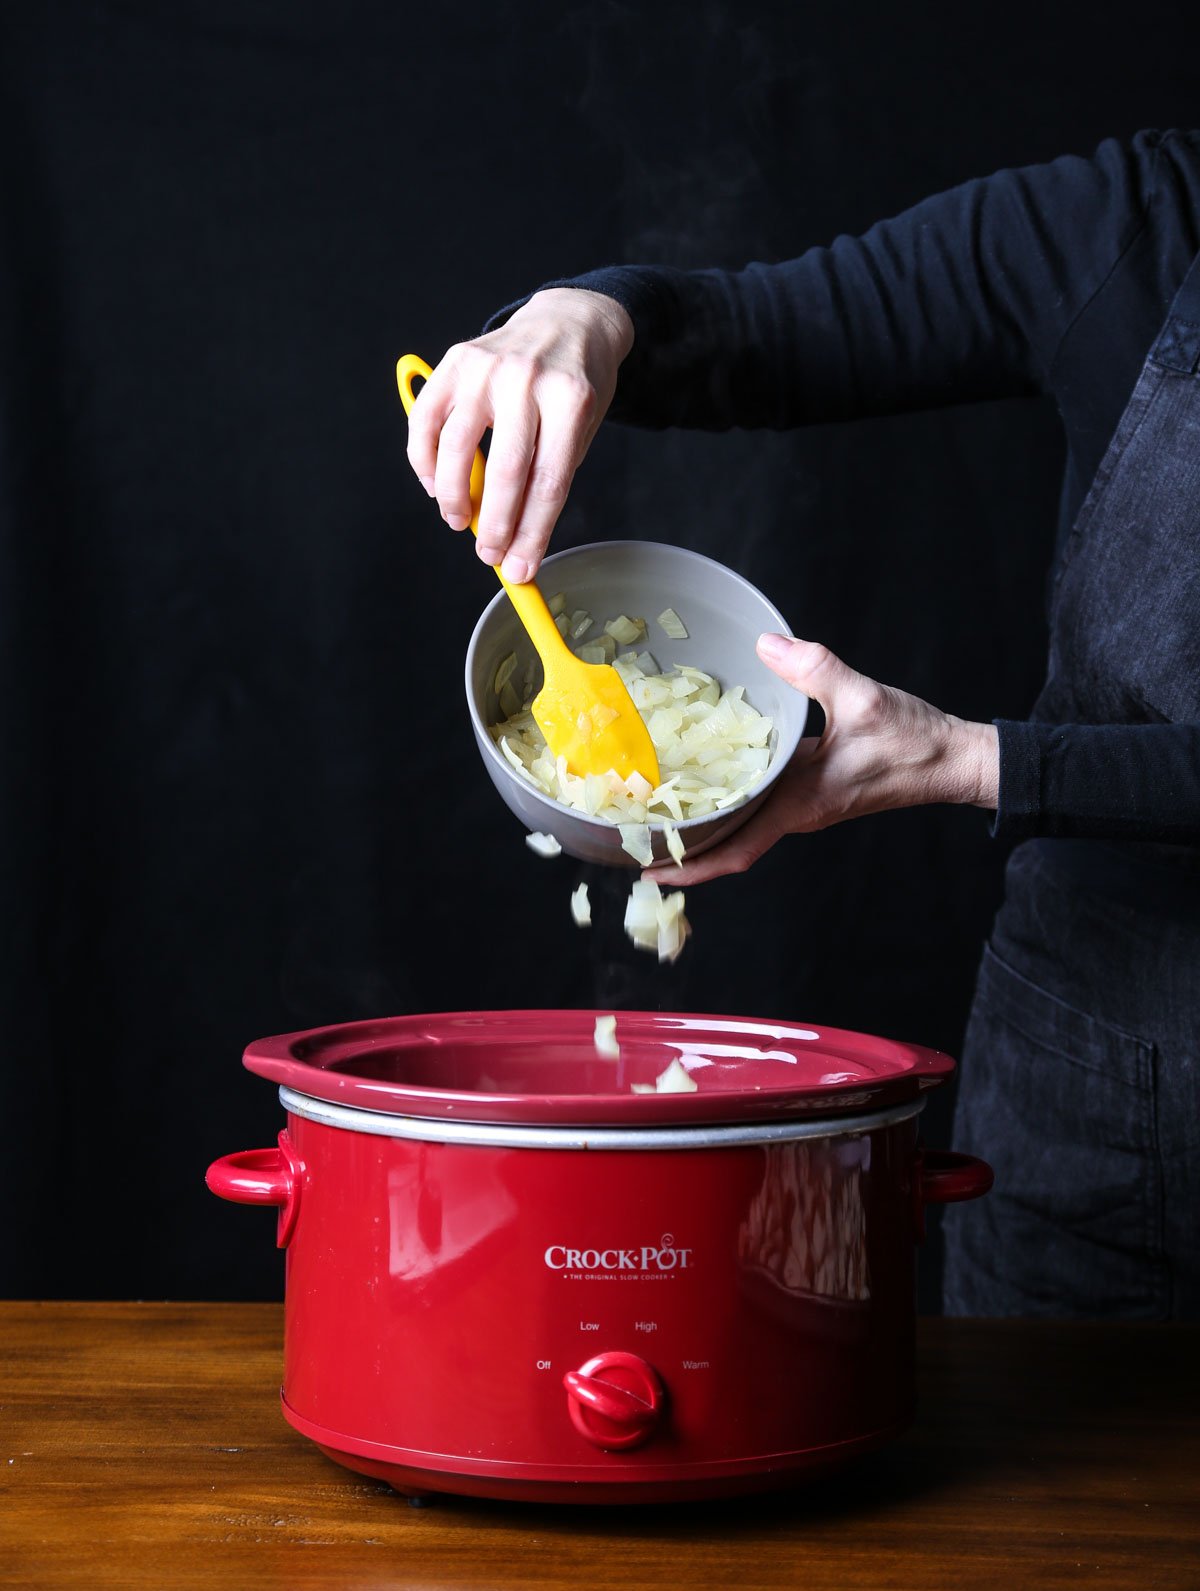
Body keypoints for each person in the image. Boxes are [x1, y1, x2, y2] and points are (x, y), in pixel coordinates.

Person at [402, 129, 1200, 1321]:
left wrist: (973, 761)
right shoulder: (1146, 219)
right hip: (1085, 1094)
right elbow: (770, 330)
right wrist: (583, 321)